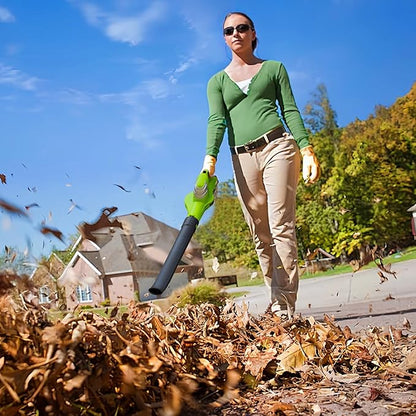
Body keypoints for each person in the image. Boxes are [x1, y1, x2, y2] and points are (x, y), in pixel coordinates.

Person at [201, 11, 320, 318]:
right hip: (240, 158)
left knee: (281, 225)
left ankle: (282, 309)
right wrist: (209, 158)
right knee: (260, 233)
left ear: (253, 33)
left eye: (242, 28)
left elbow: (290, 109)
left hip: (278, 146)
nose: (235, 33)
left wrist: (306, 148)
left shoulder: (274, 69)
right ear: (224, 38)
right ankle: (275, 296)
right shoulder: (216, 82)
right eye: (229, 30)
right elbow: (217, 120)